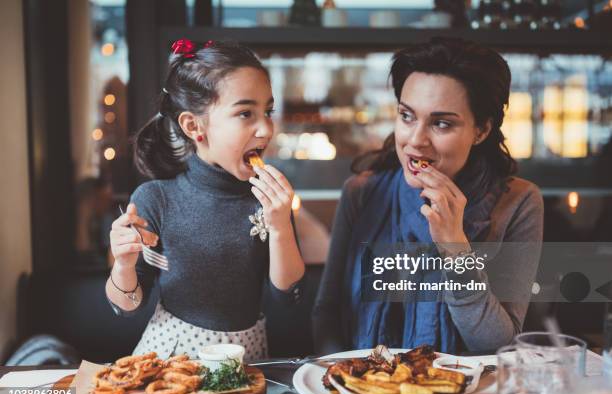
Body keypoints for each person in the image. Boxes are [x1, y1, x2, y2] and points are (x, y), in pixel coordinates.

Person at [313, 38, 544, 354]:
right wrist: (343, 382)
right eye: (407, 116)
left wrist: (455, 246)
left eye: (441, 123)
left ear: (481, 130)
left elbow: (498, 346)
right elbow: (327, 311)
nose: (416, 141)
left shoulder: (518, 202)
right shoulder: (362, 192)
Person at [105, 39, 305, 361]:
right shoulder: (156, 199)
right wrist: (124, 265)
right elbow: (126, 307)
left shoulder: (268, 199)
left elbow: (287, 298)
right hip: (173, 359)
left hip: (248, 357)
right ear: (194, 126)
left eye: (268, 111)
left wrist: (281, 228)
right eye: (245, 113)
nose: (266, 129)